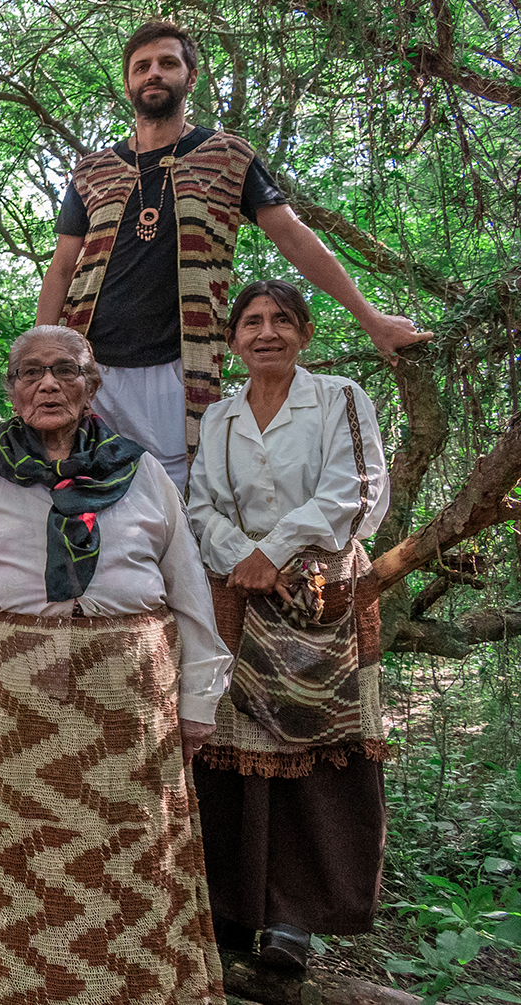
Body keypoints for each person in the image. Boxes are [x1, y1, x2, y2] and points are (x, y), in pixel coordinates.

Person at [0, 326, 231, 1005]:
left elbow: (190, 592)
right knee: (23, 865)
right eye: (30, 371)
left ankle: (136, 989)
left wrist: (199, 701)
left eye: (65, 370)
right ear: (12, 389)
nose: (47, 384)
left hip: (129, 718)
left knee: (135, 859)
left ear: (93, 384)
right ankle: (25, 989)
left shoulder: (139, 470)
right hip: (10, 715)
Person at [36, 20, 425, 489]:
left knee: (175, 498)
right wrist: (43, 352)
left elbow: (293, 236)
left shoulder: (227, 156)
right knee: (80, 489)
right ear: (128, 83)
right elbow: (62, 268)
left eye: (167, 63)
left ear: (191, 76)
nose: (153, 73)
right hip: (91, 365)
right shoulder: (92, 170)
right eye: (142, 67)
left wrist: (370, 318)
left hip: (180, 365)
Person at [186, 280, 391, 970]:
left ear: (304, 331)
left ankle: (293, 921)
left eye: (280, 319)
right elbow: (201, 506)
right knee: (229, 753)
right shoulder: (219, 417)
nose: (265, 331)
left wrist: (274, 553)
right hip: (234, 599)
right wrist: (241, 556)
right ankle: (233, 911)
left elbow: (358, 490)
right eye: (250, 321)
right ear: (233, 339)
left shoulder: (338, 398)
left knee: (317, 751)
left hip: (323, 598)